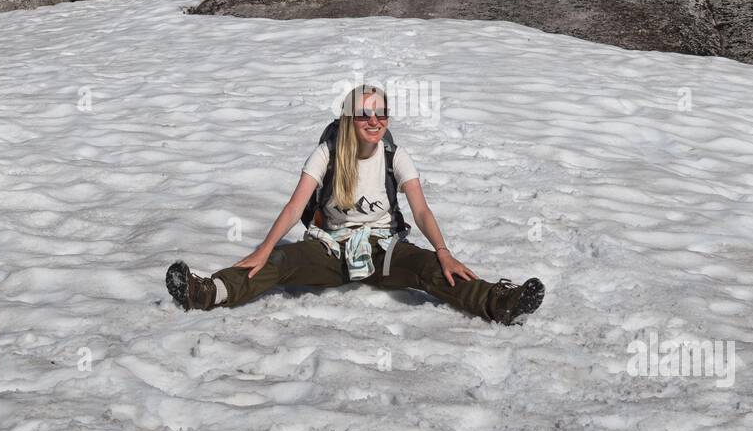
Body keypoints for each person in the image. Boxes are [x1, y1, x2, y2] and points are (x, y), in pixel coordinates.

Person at [165, 84, 545, 325]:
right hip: (329, 250)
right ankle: (209, 292)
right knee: (279, 262)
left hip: (385, 248)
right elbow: (296, 204)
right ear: (349, 118)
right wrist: (264, 249)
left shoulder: (395, 153)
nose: (374, 120)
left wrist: (443, 250)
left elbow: (421, 210)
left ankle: (500, 302)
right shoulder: (327, 153)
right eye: (366, 113)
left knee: (433, 269)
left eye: (381, 113)